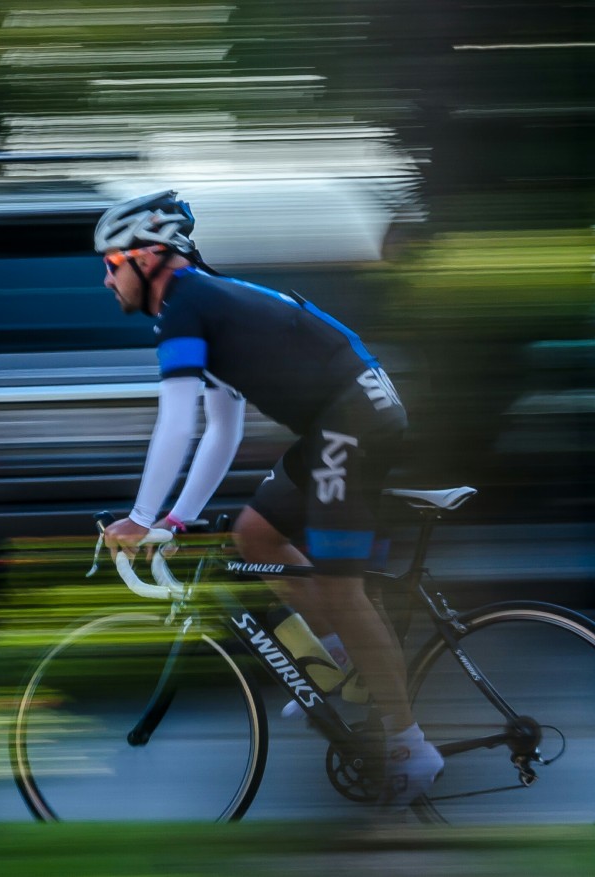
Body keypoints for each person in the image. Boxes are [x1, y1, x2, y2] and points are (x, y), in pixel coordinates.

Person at [95, 189, 443, 808]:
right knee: (254, 535)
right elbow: (221, 429)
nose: (105, 278)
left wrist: (141, 519)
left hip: (353, 419)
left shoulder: (186, 303)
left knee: (342, 586)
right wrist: (175, 519)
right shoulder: (207, 303)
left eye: (111, 264)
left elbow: (176, 421)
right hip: (342, 419)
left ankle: (410, 743)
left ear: (148, 258)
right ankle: (338, 662)